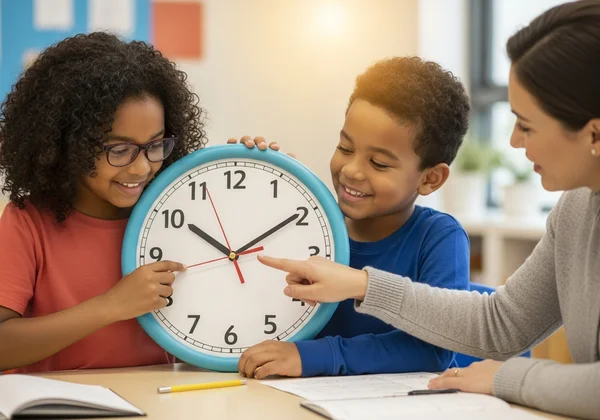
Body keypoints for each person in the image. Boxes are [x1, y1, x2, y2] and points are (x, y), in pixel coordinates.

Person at [255, 1, 600, 419]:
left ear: (593, 133)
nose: (512, 141)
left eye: (526, 125)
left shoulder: (438, 234)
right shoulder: (576, 208)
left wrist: (507, 378)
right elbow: (501, 324)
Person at [0, 32, 271, 373]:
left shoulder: (180, 212)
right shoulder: (27, 223)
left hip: (156, 400)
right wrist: (111, 305)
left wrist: (266, 173)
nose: (142, 167)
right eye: (119, 149)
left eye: (155, 145)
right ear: (68, 144)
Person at [236, 56, 471, 379]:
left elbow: (433, 349)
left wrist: (316, 356)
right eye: (345, 148)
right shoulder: (300, 222)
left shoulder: (439, 238)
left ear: (430, 179)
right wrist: (243, 180)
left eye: (379, 163)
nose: (351, 170)